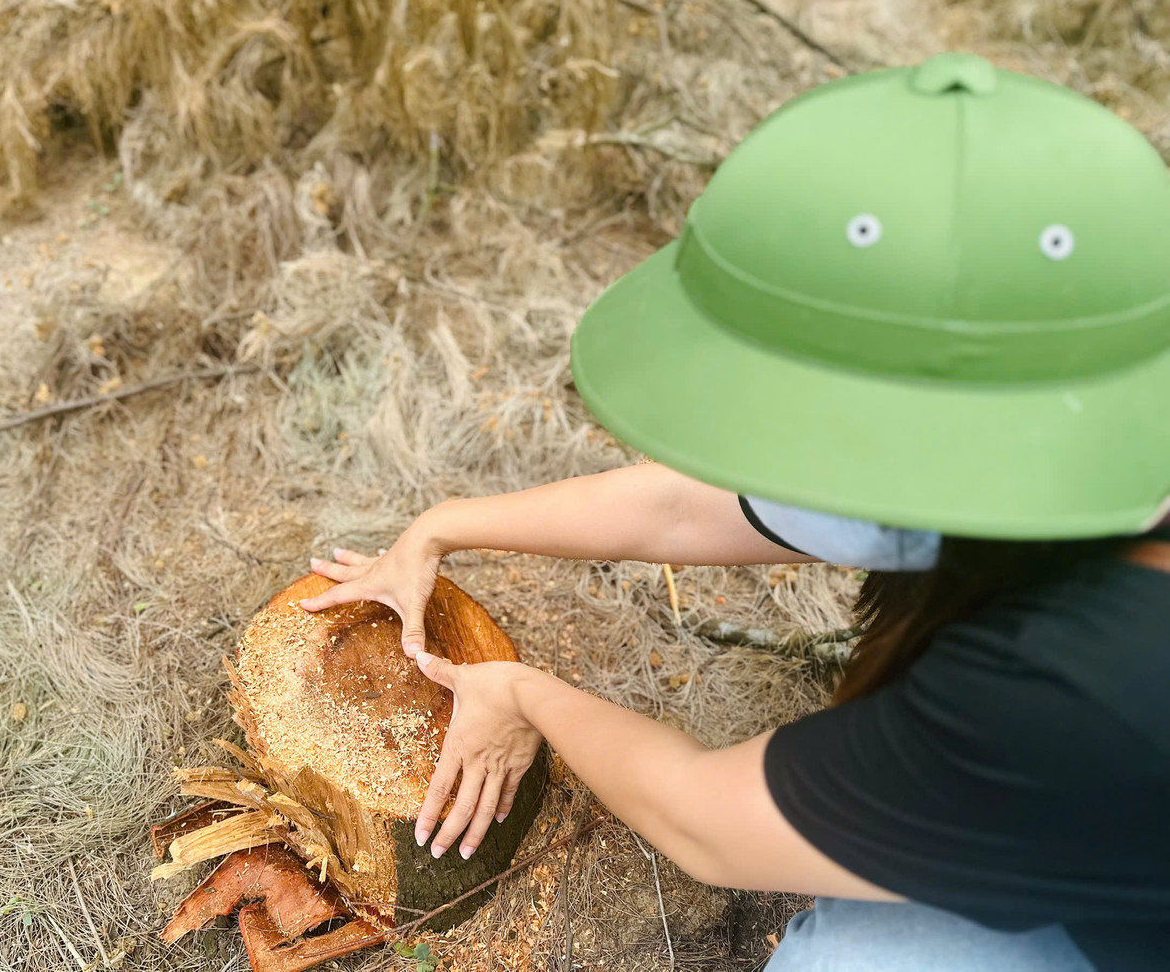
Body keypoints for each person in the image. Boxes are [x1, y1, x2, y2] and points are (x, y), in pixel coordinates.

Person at [302, 54, 1170, 970]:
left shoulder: (1058, 689)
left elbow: (705, 820)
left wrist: (522, 693)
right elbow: (682, 509)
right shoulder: (1060, 435)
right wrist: (442, 524)